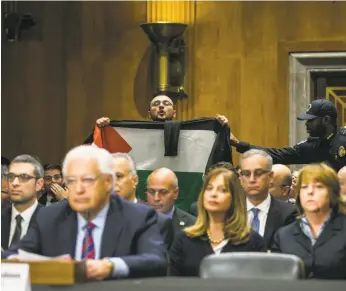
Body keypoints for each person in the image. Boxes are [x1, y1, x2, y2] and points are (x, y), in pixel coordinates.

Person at [3, 146, 167, 279]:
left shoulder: (138, 216)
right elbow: (14, 255)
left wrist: (110, 266)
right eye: (72, 181)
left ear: (108, 182)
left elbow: (156, 260)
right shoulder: (49, 217)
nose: (79, 189)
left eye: (88, 180)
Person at [169, 168, 265, 276]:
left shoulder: (252, 242)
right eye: (209, 189)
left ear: (234, 198)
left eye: (222, 190)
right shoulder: (184, 240)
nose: (213, 194)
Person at [272, 163, 346, 279]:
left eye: (318, 186)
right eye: (304, 187)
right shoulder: (283, 235)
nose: (310, 192)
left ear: (332, 193)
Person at [229, 99, 346, 172]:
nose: (306, 124)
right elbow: (277, 155)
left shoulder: (343, 140)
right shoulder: (311, 146)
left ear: (326, 120)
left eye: (311, 120)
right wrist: (239, 144)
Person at [112, 153, 174, 249]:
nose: (113, 183)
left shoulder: (157, 222)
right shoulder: (92, 219)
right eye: (107, 178)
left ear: (135, 180)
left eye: (119, 177)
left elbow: (156, 262)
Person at [239, 149, 298, 248]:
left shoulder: (289, 213)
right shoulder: (228, 212)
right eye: (246, 173)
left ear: (270, 177)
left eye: (258, 173)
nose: (252, 180)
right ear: (240, 178)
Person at [1, 155, 44, 250]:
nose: (14, 183)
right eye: (11, 177)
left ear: (38, 184)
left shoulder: (51, 222)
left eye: (24, 177)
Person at [146, 168, 196, 237]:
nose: (156, 198)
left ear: (176, 193)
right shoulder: (134, 221)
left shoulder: (193, 226)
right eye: (151, 191)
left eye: (163, 192)